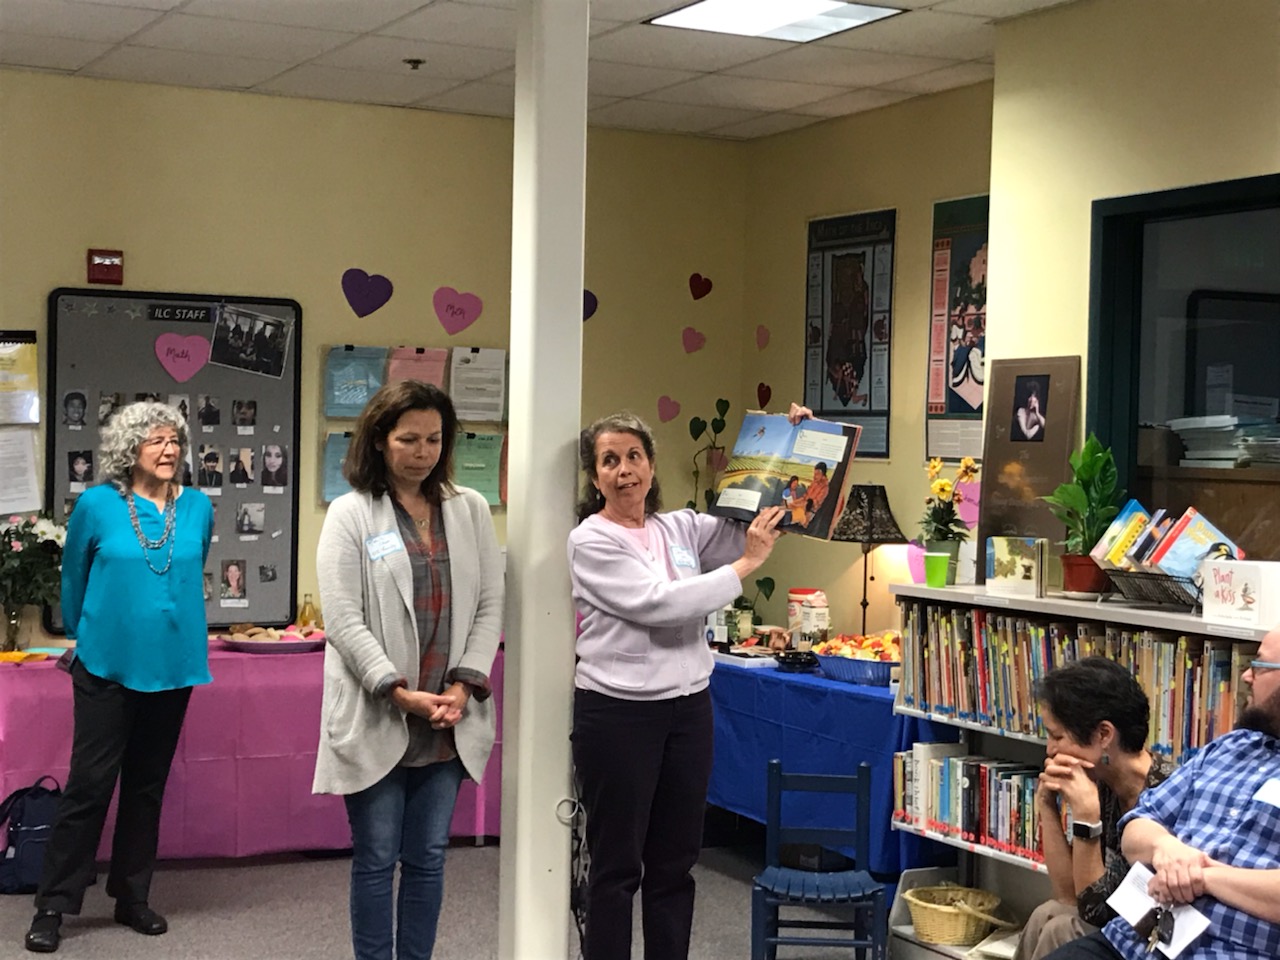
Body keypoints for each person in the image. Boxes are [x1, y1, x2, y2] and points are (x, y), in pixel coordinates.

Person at [568, 404, 804, 960]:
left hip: (688, 711)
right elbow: (661, 605)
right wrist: (745, 567)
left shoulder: (681, 527)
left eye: (634, 456)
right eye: (609, 460)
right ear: (594, 475)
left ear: (651, 465)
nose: (624, 470)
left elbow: (756, 516)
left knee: (675, 863)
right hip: (618, 714)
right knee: (617, 866)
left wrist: (790, 439)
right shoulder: (590, 540)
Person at [313, 379, 502, 960]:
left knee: (427, 860)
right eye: (408, 439)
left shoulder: (468, 509)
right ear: (379, 441)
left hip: (448, 715)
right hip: (381, 711)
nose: (423, 452)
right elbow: (342, 618)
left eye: (434, 440)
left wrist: (462, 685)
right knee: (375, 861)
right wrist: (398, 692)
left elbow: (491, 601)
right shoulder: (351, 514)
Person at [24, 402, 214, 954]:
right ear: (130, 449)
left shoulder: (198, 507)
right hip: (106, 665)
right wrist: (93, 637)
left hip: (174, 667)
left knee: (147, 786)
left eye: (175, 441)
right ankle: (53, 905)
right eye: (156, 441)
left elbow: (193, 563)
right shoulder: (98, 505)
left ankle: (132, 897)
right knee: (89, 785)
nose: (170, 450)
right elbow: (74, 581)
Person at [1043, 627, 1280, 960]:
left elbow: (1090, 908)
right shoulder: (1229, 747)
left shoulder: (1153, 775)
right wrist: (1166, 847)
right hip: (1134, 939)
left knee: (1056, 925)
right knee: (1053, 926)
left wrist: (1200, 875)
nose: (1246, 676)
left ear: (1104, 735)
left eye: (1260, 666)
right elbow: (1138, 823)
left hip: (1224, 949)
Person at [1014, 658, 1173, 960]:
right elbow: (1067, 894)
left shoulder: (1167, 792)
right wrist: (1046, 805)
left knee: (1061, 929)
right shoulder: (1100, 780)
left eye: (1058, 736)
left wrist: (1087, 819)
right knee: (1046, 914)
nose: (1050, 750)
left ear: (1104, 735)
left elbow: (1098, 913)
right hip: (1110, 927)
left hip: (1151, 937)